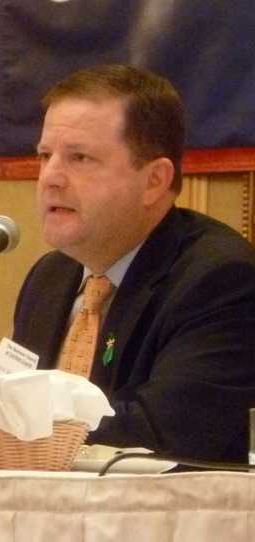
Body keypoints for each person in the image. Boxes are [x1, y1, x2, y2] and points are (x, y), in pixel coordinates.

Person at [13, 64, 255, 462]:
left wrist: (11, 422)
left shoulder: (221, 281)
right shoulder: (49, 278)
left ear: (154, 181)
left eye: (80, 158)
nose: (50, 178)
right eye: (44, 156)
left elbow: (160, 431)